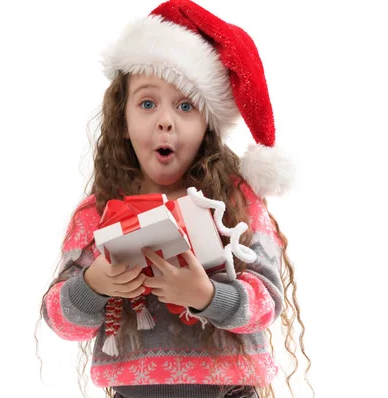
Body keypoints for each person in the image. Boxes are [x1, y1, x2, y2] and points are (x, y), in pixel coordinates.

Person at [37, 1, 312, 397]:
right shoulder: (96, 213)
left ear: (206, 126)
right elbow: (61, 320)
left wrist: (208, 296)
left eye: (186, 106)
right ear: (124, 119)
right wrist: (94, 284)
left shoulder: (236, 201)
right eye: (148, 103)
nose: (165, 120)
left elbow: (267, 303)